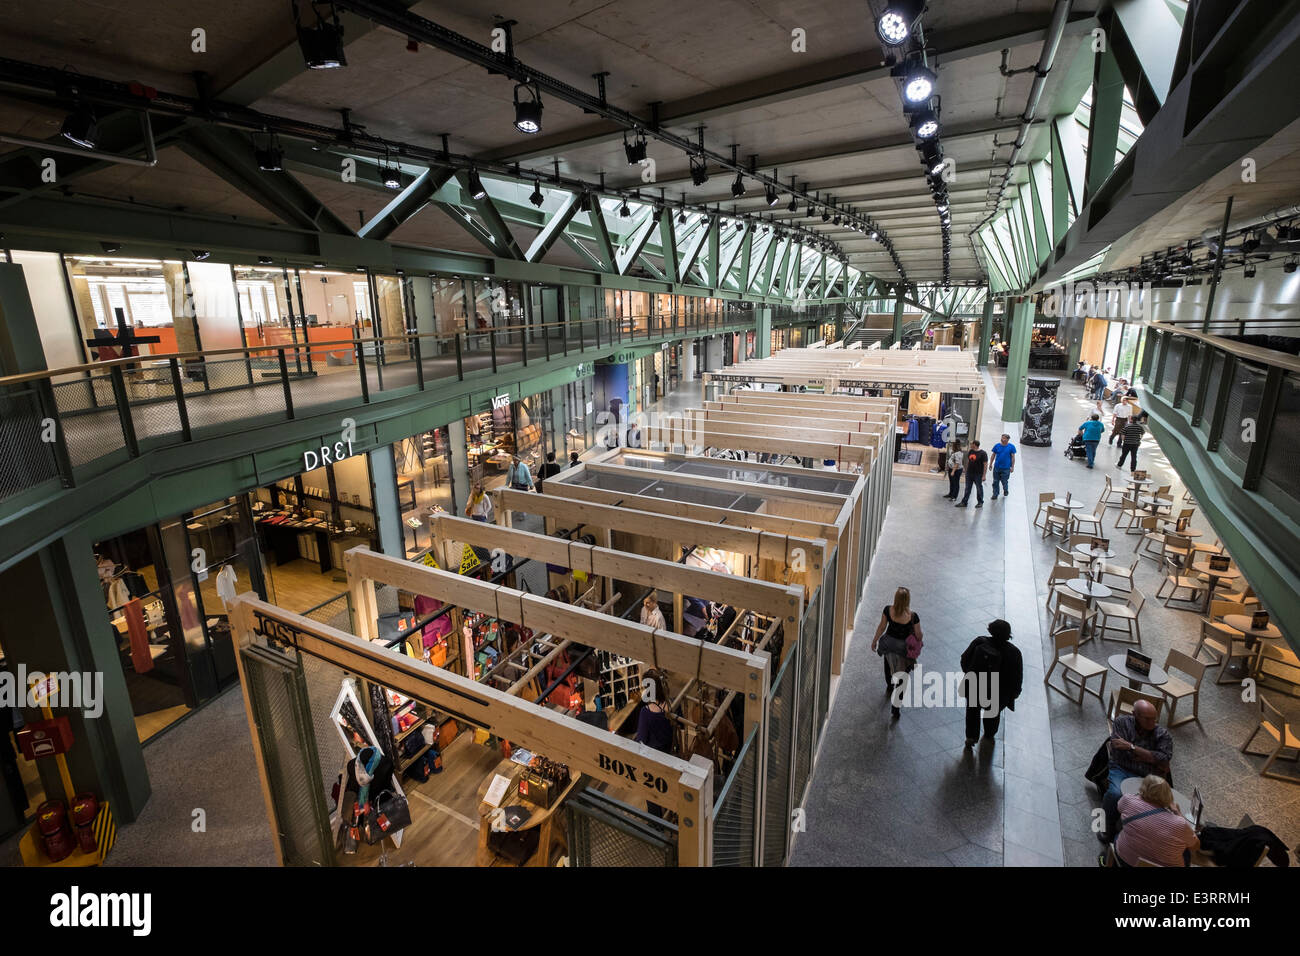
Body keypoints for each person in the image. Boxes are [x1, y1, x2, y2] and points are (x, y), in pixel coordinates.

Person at [1101, 700, 1174, 842]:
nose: (1151, 722)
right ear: (1134, 714)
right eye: (1147, 718)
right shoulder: (1122, 722)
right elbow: (1117, 751)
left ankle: (1140, 834)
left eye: (1154, 718)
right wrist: (1151, 757)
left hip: (1148, 776)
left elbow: (1164, 758)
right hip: (1122, 768)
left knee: (1158, 804)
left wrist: (1131, 748)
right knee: (1115, 793)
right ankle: (1106, 825)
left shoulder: (1163, 734)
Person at [1110, 775, 1199, 867]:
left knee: (1120, 831)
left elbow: (1120, 808)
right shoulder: (1180, 824)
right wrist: (1178, 813)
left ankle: (1108, 861)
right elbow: (1196, 846)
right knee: (1185, 851)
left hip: (1126, 860)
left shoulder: (1127, 800)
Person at [959, 619, 1023, 746]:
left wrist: (969, 673)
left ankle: (971, 737)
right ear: (1008, 634)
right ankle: (989, 733)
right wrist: (1015, 692)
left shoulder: (980, 642)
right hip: (999, 692)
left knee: (972, 711)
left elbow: (964, 659)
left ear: (991, 630)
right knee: (993, 713)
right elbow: (1017, 675)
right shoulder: (1014, 652)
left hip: (975, 685)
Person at [870, 587, 922, 720]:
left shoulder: (888, 610)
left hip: (888, 644)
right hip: (903, 650)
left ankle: (889, 684)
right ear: (907, 600)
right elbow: (919, 635)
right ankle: (896, 708)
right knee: (903, 678)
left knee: (888, 665)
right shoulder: (913, 616)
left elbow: (882, 626)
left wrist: (875, 640)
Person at [956, 439, 987, 507]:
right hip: (969, 473)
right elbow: (969, 461)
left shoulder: (983, 453)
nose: (970, 445)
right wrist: (966, 469)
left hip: (978, 474)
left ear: (975, 445)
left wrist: (984, 475)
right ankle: (964, 502)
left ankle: (980, 502)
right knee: (967, 488)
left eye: (971, 444)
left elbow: (985, 464)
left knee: (979, 488)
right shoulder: (971, 451)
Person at [989, 433, 1017, 501]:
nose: (1002, 439)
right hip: (997, 467)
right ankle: (995, 494)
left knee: (1004, 481)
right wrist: (990, 464)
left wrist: (1012, 467)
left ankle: (1005, 490)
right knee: (995, 481)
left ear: (1007, 439)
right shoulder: (997, 446)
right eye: (1002, 438)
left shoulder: (1011, 447)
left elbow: (1013, 457)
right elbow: (993, 455)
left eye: (1004, 438)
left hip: (1006, 468)